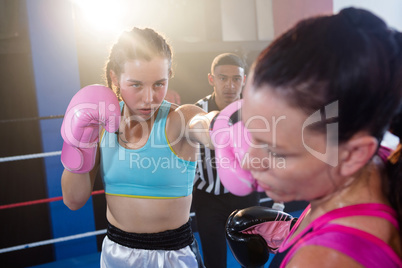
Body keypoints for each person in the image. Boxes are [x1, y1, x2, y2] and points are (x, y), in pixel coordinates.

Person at [220, 7, 402, 267]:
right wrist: (295, 230)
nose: (248, 161)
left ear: (353, 154)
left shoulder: (323, 260)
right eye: (252, 133)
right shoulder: (382, 163)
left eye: (275, 150)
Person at [60, 27, 220, 268]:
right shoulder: (101, 124)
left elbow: (203, 124)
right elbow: (73, 200)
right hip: (116, 254)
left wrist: (223, 124)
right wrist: (79, 142)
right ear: (115, 78)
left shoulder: (179, 119)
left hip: (173, 257)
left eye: (159, 84)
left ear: (169, 76)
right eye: (136, 85)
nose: (149, 98)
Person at [192, 53, 262, 268]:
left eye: (236, 79)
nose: (230, 85)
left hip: (246, 196)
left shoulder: (255, 109)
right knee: (214, 261)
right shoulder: (196, 111)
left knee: (253, 258)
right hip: (208, 198)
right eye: (223, 78)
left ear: (244, 80)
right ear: (211, 79)